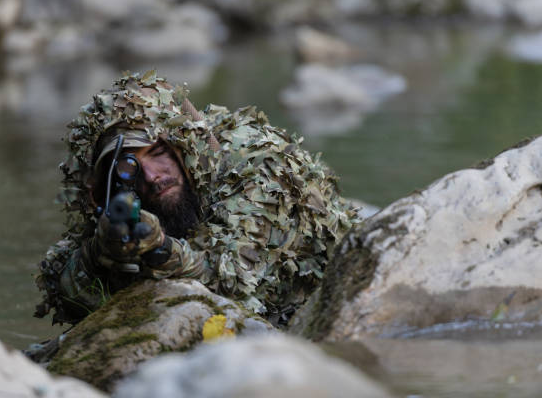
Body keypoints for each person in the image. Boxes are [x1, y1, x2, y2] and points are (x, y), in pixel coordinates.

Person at [34, 71, 356, 326]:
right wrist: (101, 251)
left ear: (184, 146)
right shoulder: (123, 201)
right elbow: (63, 291)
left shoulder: (257, 162)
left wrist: (160, 248)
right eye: (130, 167)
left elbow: (229, 282)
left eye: (158, 153)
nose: (152, 176)